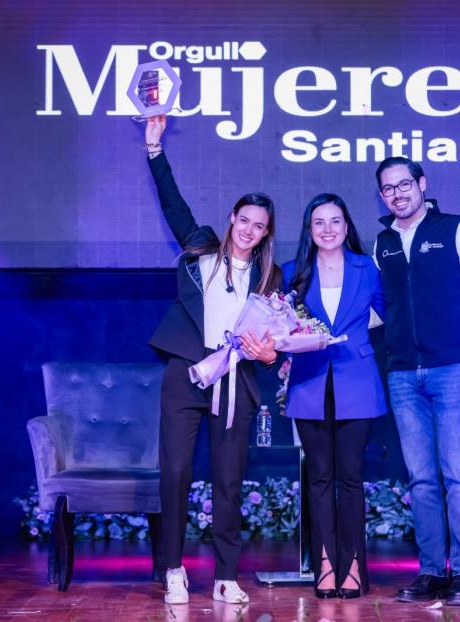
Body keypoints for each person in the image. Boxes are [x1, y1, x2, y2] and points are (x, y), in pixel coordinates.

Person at [144, 115, 280, 605]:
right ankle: (173, 569)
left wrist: (269, 355)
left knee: (228, 481)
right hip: (186, 374)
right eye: (243, 220)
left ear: (266, 234)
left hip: (236, 384)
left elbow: (273, 343)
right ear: (231, 219)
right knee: (176, 471)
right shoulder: (200, 246)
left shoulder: (271, 277)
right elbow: (172, 203)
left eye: (259, 226)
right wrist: (155, 149)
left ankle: (227, 576)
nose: (249, 230)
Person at [372, 157, 460, 606]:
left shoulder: (458, 228)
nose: (397, 193)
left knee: (459, 476)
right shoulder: (383, 243)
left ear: (422, 185)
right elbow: (376, 310)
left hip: (455, 370)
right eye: (388, 188)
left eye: (404, 184)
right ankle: (431, 571)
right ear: (382, 195)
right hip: (403, 374)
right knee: (422, 480)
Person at [279, 193, 387, 599]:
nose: (327, 229)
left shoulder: (368, 269)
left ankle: (355, 566)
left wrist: (356, 338)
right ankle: (325, 566)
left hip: (356, 380)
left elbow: (387, 314)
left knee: (351, 478)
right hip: (309, 383)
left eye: (335, 221)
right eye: (319, 222)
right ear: (309, 229)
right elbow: (280, 327)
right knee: (319, 478)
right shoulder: (292, 273)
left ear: (347, 227)